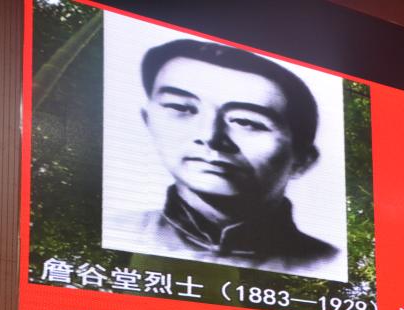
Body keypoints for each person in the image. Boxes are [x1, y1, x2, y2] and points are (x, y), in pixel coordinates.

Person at [105, 39, 340, 276]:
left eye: (246, 122)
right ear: (148, 120)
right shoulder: (113, 231)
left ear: (302, 160)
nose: (210, 136)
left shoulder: (329, 264)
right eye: (181, 108)